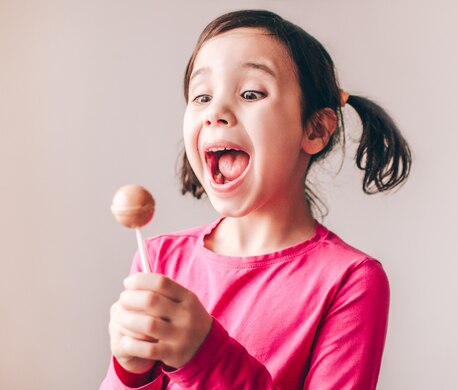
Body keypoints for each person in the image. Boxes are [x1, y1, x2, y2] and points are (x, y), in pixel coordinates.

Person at [101, 9, 411, 390]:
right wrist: (129, 372)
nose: (215, 112)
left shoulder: (350, 281)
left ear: (315, 129)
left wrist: (206, 357)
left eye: (251, 93)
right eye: (201, 96)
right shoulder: (158, 260)